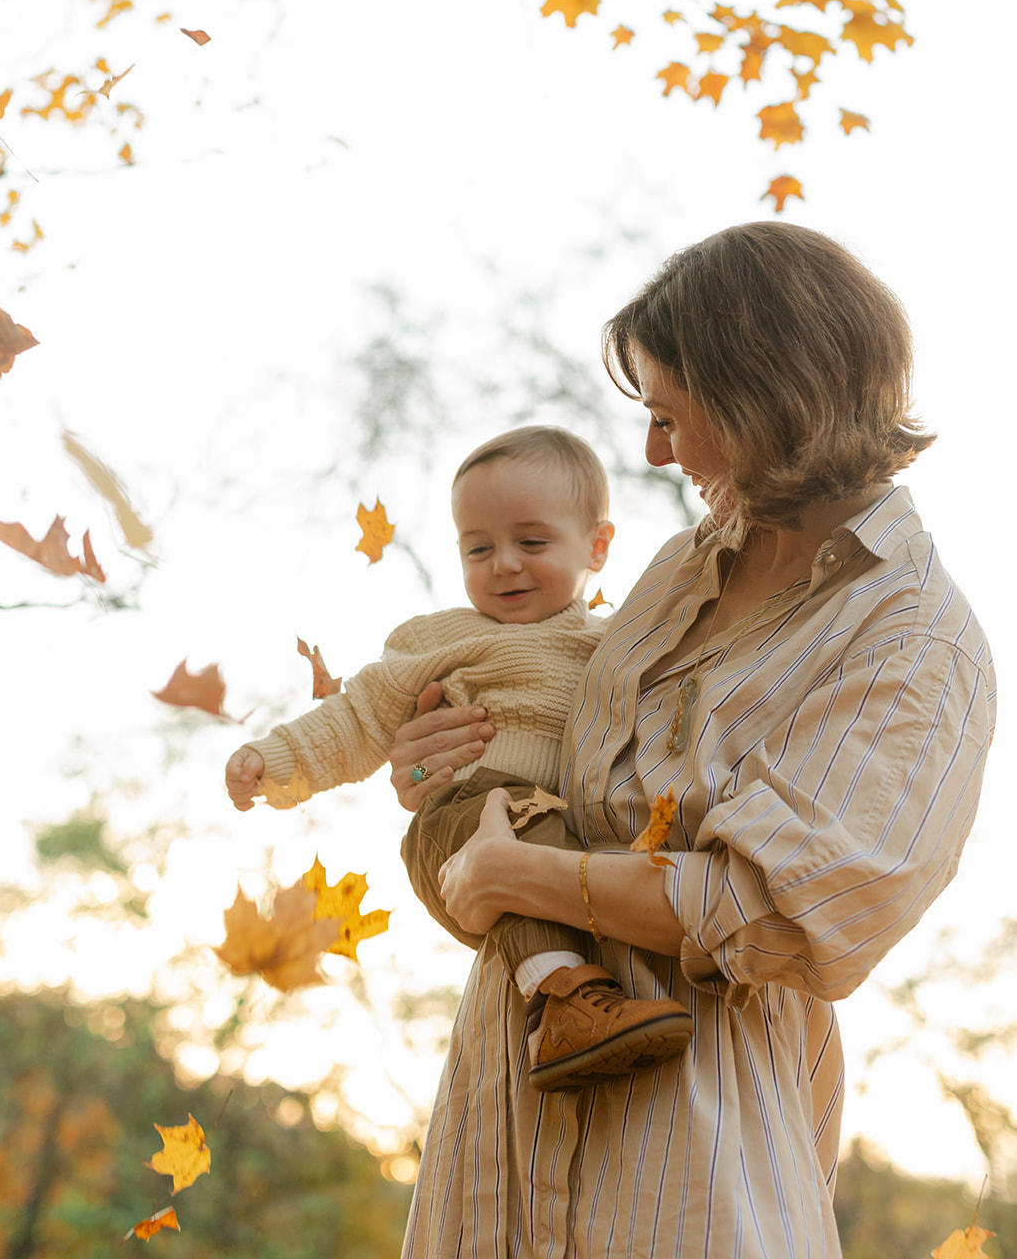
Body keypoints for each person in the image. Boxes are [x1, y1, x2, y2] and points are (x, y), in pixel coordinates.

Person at [389, 223, 995, 1259]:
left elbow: (778, 917)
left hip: (682, 1173)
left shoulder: (913, 637)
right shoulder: (678, 567)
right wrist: (443, 758)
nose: (652, 453)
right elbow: (570, 779)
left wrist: (518, 873)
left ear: (767, 395)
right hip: (498, 1136)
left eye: (671, 417)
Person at [224, 425, 693, 1090]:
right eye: (479, 547)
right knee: (518, 823)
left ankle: (572, 1010)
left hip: (557, 833)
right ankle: (562, 1005)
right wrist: (273, 759)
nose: (503, 563)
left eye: (530, 542)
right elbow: (358, 717)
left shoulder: (614, 643)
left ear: (596, 544)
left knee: (547, 841)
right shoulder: (444, 641)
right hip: (461, 820)